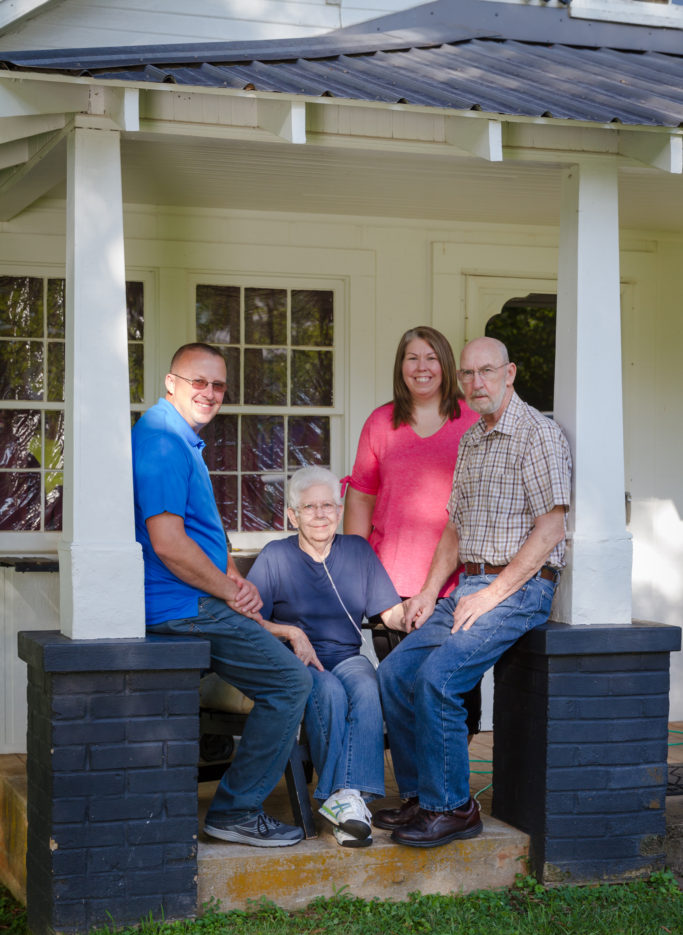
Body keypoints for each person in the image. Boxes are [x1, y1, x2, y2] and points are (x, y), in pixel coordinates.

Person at [375, 336, 572, 849]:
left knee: (439, 677)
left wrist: (491, 596)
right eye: (466, 374)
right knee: (397, 673)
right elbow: (454, 530)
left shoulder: (538, 435)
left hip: (521, 588)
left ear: (510, 373)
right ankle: (423, 797)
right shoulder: (472, 439)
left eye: (486, 371)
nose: (474, 383)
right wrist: (427, 593)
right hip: (469, 583)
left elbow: (551, 530)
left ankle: (454, 809)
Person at [131, 342, 312, 848]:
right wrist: (229, 594)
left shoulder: (177, 438)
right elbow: (168, 545)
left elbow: (200, 534)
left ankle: (239, 806)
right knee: (290, 684)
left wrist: (235, 582)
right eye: (198, 383)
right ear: (171, 384)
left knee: (285, 658)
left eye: (218, 386)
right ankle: (235, 811)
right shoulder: (164, 442)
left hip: (198, 599)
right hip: (183, 606)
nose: (210, 393)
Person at [247, 467, 405, 848]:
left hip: (346, 654)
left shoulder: (357, 550)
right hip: (297, 662)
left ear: (339, 509)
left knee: (367, 685)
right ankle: (347, 805)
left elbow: (390, 613)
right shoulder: (276, 557)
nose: (320, 514)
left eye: (328, 505)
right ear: (292, 515)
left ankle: (348, 802)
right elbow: (248, 619)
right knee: (330, 692)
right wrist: (291, 632)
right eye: (309, 507)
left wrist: (422, 614)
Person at [343, 325, 481, 731]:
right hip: (392, 585)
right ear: (400, 366)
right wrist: (358, 573)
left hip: (456, 585)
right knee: (402, 694)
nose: (421, 368)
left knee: (456, 699)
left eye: (431, 358)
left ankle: (444, 787)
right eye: (412, 358)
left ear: (446, 365)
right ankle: (417, 791)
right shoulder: (381, 422)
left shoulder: (472, 422)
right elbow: (362, 496)